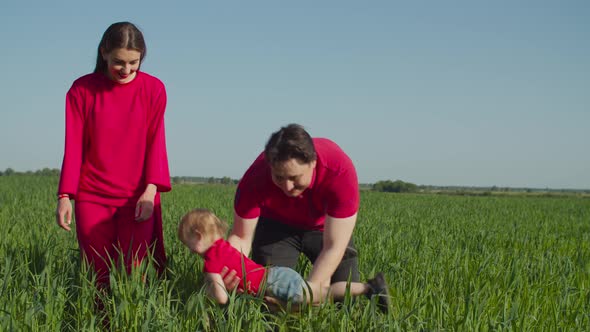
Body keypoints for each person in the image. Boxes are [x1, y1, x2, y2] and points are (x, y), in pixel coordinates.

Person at [224, 123, 390, 313]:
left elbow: (334, 246)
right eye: (279, 177)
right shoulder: (256, 177)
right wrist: (231, 270)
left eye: (294, 178)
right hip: (277, 227)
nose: (287, 187)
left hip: (324, 229)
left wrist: (309, 294)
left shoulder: (339, 171)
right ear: (270, 165)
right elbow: (240, 237)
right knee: (271, 303)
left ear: (313, 163)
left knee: (344, 307)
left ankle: (373, 288)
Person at [55, 22, 171, 288]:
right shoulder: (81, 90)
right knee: (98, 274)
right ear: (104, 52)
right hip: (92, 196)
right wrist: (65, 197)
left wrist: (151, 190)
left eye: (134, 62)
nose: (126, 69)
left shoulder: (153, 90)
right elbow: (73, 147)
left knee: (134, 274)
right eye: (119, 61)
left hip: (138, 198)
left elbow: (157, 142)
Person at [178, 208, 384, 309]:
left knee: (322, 295)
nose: (189, 250)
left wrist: (205, 294)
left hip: (274, 284)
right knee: (317, 298)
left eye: (187, 244)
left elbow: (222, 298)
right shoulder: (224, 247)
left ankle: (369, 288)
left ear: (198, 236)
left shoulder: (210, 263)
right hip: (276, 275)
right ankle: (367, 289)